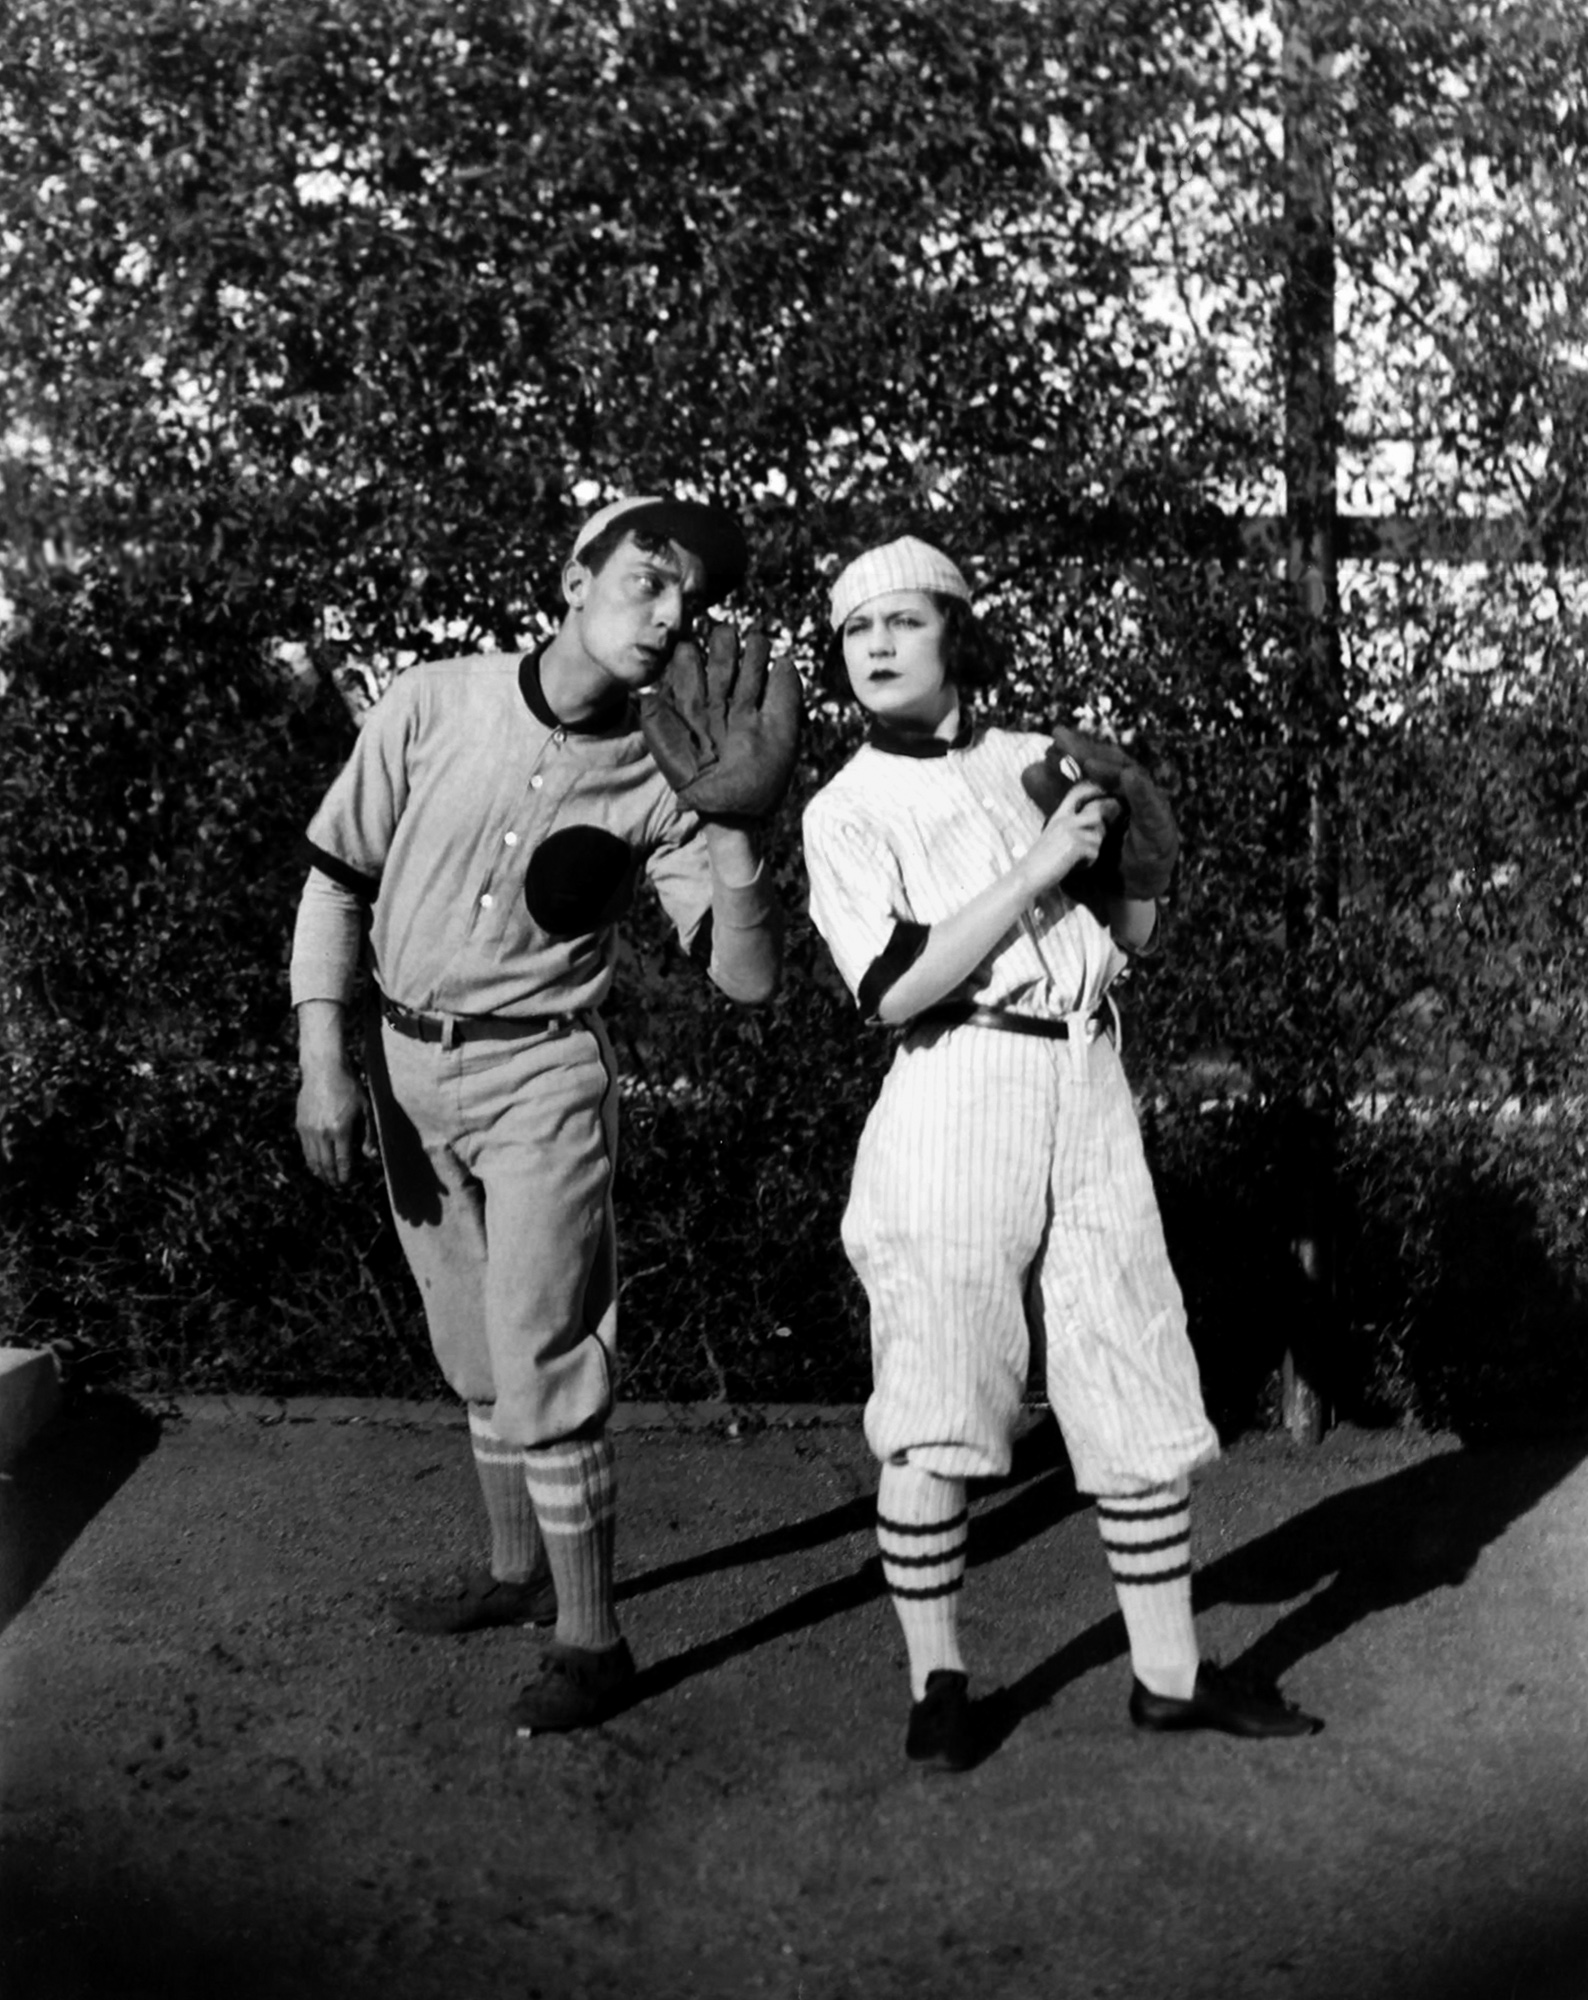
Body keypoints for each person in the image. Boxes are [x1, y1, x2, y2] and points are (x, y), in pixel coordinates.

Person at [800, 534, 1321, 1771]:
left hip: (1083, 1070)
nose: (875, 645)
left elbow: (1126, 932)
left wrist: (1128, 859)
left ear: (958, 635)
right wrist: (1038, 864)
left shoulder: (1034, 758)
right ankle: (936, 1683)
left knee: (1127, 1364)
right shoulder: (845, 806)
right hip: (954, 1082)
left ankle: (1169, 1674)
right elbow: (893, 988)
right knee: (937, 1396)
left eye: (904, 620)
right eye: (855, 630)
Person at [290, 494, 799, 1735]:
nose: (669, 613)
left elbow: (746, 979)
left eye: (690, 600)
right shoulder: (432, 701)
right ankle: (516, 1574)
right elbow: (336, 880)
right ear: (575, 578)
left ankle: (593, 1637)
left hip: (542, 1077)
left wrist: (736, 833)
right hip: (405, 1061)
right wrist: (322, 1057)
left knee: (542, 1348)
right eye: (646, 579)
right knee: (473, 1345)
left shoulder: (670, 772)